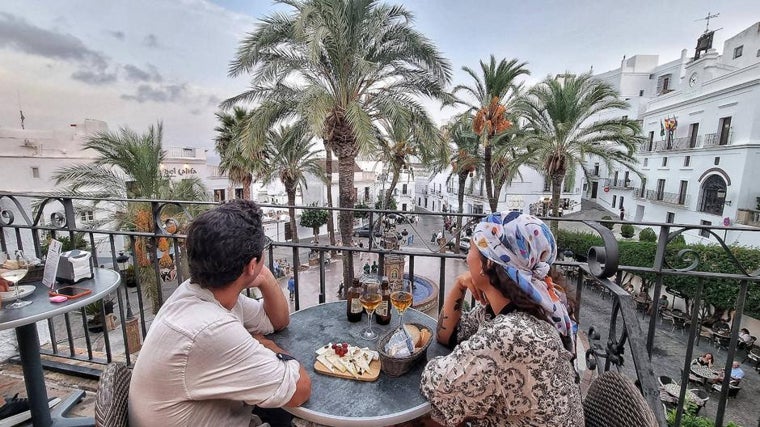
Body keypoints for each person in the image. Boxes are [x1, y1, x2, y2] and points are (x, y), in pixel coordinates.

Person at [129, 200, 311, 427]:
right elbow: (300, 389)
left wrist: (262, 276)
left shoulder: (203, 293)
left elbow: (277, 321)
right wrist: (270, 347)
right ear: (250, 265)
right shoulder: (211, 328)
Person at [421, 212, 583, 426]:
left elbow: (437, 385)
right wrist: (460, 284)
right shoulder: (526, 304)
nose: (466, 258)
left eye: (471, 250)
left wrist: (460, 360)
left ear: (487, 264)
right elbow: (448, 335)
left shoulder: (512, 333)